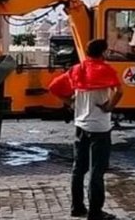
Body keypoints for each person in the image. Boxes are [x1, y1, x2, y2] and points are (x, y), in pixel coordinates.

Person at [49, 39, 123, 220]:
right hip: (100, 127)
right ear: (103, 52)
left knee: (78, 168)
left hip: (80, 125)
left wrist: (71, 103)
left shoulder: (76, 69)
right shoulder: (106, 70)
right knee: (96, 171)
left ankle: (77, 207)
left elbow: (54, 87)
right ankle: (96, 212)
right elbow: (119, 91)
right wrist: (109, 106)